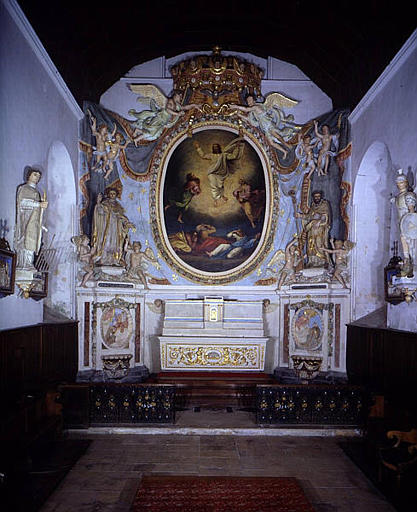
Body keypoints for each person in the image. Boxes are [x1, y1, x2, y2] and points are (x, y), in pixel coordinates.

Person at [193, 137, 244, 206]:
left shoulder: (224, 155)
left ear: (219, 148)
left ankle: (222, 196)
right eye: (214, 147)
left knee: (220, 186)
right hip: (212, 173)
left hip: (221, 173)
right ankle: (215, 199)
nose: (215, 148)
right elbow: (203, 155)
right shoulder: (211, 155)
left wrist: (237, 147)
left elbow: (234, 156)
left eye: (216, 147)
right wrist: (198, 148)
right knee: (214, 186)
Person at [14, 168, 48, 270]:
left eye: (38, 176)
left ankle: (29, 263)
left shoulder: (37, 192)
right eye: (34, 174)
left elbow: (38, 211)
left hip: (34, 223)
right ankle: (24, 264)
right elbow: (22, 202)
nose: (37, 177)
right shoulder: (24, 188)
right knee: (26, 241)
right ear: (28, 175)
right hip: (25, 220)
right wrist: (39, 204)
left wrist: (41, 224)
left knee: (33, 242)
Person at [91, 189, 135, 266]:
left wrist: (126, 223)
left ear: (116, 195)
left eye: (114, 193)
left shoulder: (118, 206)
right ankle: (104, 258)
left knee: (115, 243)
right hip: (106, 226)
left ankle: (114, 259)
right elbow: (99, 212)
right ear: (108, 194)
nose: (112, 195)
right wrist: (98, 203)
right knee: (106, 241)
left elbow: (121, 217)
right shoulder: (105, 203)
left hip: (116, 227)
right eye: (110, 193)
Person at [297, 190, 331, 267]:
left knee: (319, 243)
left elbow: (326, 216)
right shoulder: (313, 206)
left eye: (318, 196)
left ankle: (321, 261)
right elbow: (309, 216)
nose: (317, 198)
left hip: (320, 228)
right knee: (311, 244)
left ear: (321, 197)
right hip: (312, 229)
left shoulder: (324, 204)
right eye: (315, 196)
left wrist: (319, 221)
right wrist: (300, 215)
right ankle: (312, 261)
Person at [393, 169, 417, 272]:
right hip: (401, 222)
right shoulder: (397, 197)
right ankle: (407, 259)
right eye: (398, 182)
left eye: (401, 182)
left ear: (406, 182)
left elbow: (412, 212)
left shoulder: (409, 195)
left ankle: (411, 261)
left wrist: (411, 224)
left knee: (409, 242)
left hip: (408, 223)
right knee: (402, 239)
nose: (400, 184)